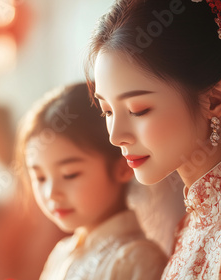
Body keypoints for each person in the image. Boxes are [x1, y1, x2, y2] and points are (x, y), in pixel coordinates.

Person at [86, 0, 221, 278]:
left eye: (138, 110)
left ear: (215, 99)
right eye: (107, 111)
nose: (116, 137)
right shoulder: (192, 223)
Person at [15, 83, 168, 280]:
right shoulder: (61, 253)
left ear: (122, 167)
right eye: (40, 178)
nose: (51, 193)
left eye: (70, 174)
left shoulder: (136, 260)